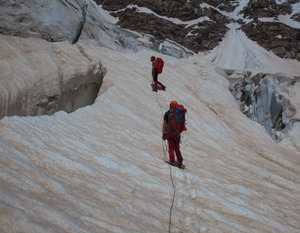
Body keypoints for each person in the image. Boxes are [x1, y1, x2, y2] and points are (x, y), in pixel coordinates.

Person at [162, 101, 184, 168]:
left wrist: (163, 133)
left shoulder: (167, 113)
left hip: (169, 133)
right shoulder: (180, 113)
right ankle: (180, 162)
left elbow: (164, 124)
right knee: (177, 148)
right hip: (177, 133)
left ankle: (172, 162)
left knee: (171, 148)